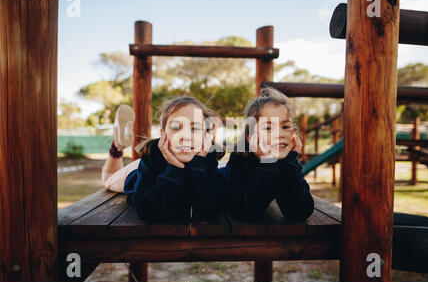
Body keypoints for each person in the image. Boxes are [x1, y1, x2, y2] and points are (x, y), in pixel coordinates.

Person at [101, 97, 227, 222]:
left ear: (205, 135)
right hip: (138, 172)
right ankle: (117, 147)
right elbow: (146, 212)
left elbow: (212, 209)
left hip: (188, 159)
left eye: (195, 128)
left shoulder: (208, 155)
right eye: (176, 127)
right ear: (163, 133)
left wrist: (197, 165)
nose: (186, 136)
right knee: (108, 179)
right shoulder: (151, 156)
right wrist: (174, 169)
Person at [220, 87, 314, 221]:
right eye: (268, 128)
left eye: (285, 126)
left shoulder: (287, 161)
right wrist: (267, 163)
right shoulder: (240, 159)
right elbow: (244, 212)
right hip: (221, 178)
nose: (280, 134)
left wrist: (290, 161)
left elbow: (300, 212)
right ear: (250, 136)